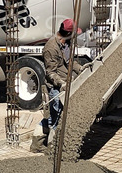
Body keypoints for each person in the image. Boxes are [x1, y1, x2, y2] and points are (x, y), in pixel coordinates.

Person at [30, 18, 89, 152]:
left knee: (53, 117)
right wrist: (61, 83)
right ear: (68, 33)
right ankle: (52, 148)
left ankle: (37, 144)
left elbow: (69, 62)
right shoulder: (51, 48)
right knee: (55, 119)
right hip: (55, 87)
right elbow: (51, 72)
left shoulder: (66, 44)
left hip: (64, 84)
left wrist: (80, 69)